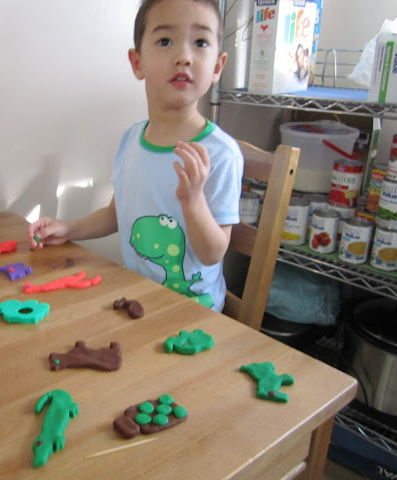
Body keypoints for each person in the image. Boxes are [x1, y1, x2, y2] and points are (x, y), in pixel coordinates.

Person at [27, 0, 243, 311]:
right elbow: (117, 213)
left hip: (192, 312)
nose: (184, 56)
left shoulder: (221, 153)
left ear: (217, 68)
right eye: (165, 41)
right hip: (136, 298)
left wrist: (193, 200)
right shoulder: (131, 140)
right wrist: (68, 228)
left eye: (200, 42)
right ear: (137, 62)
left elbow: (212, 254)